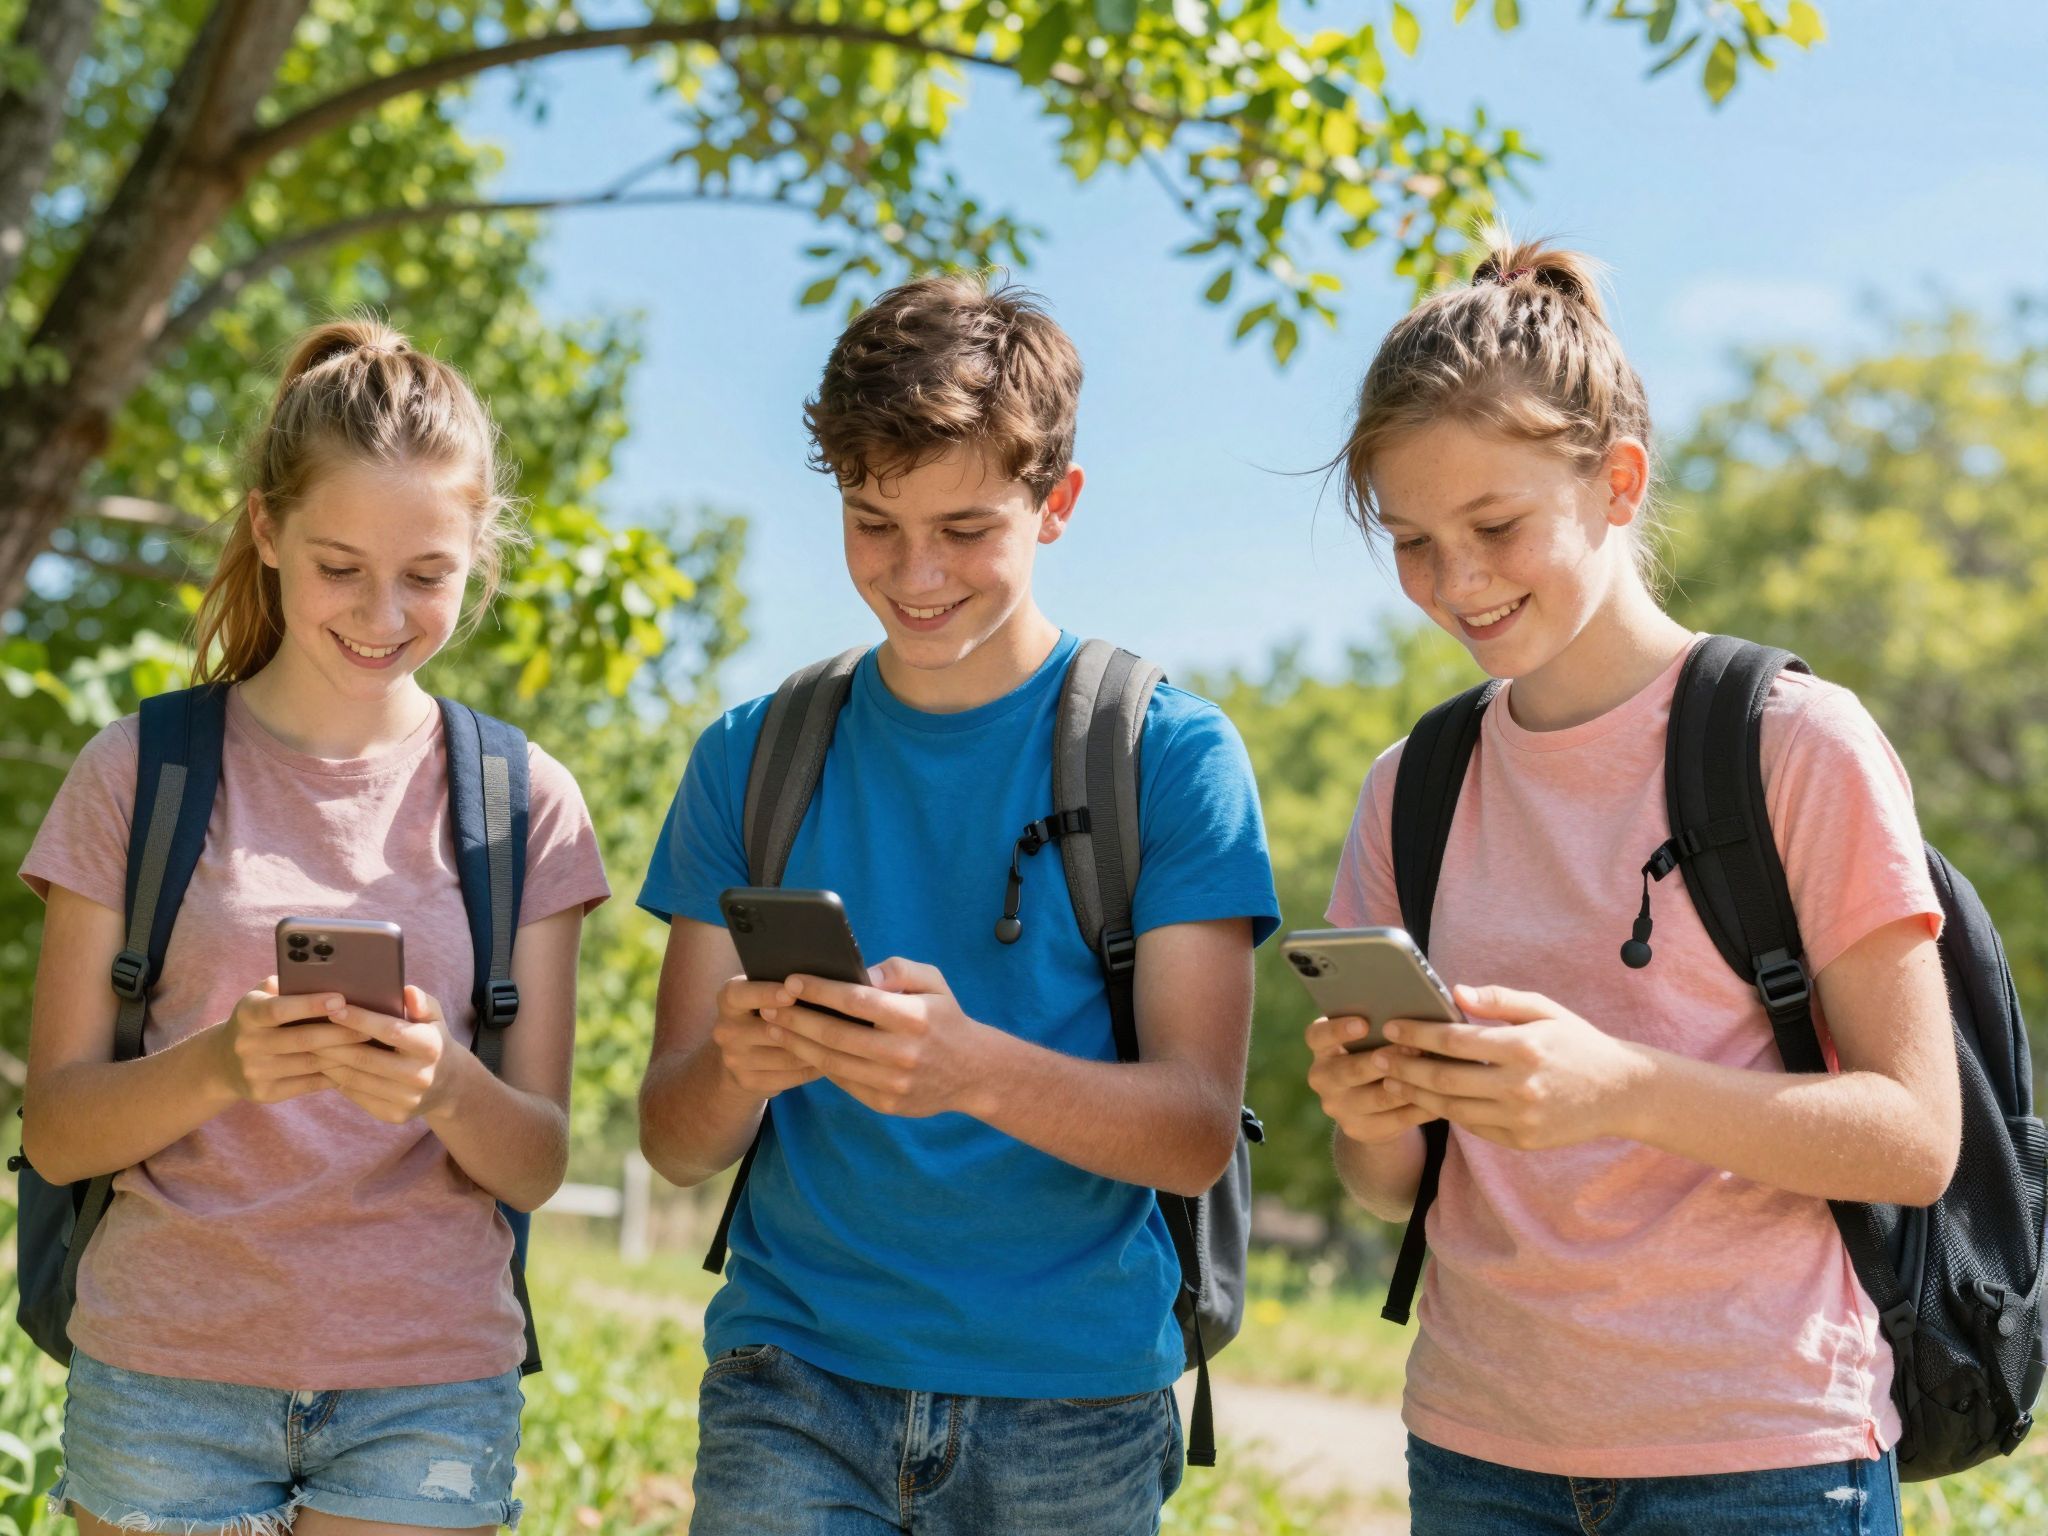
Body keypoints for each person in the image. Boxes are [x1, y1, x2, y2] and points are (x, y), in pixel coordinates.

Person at [1304, 238, 1958, 1534]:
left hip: (1760, 1453)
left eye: (1495, 527)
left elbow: (1916, 1141)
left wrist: (1625, 1090)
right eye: (1414, 541)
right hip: (1478, 1446)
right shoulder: (1410, 789)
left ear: (1617, 483)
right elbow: (1388, 1186)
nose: (1457, 582)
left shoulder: (1791, 741)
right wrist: (1372, 1107)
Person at [637, 272, 1280, 1534]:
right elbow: (672, 1138)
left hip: (1074, 1407)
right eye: (873, 523)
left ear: (1056, 506)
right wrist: (740, 1062)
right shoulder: (751, 756)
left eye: (966, 528)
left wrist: (968, 1070)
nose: (913, 574)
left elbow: (1194, 1129)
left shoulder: (1169, 755)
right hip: (793, 1383)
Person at [21, 318, 609, 1535]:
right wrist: (223, 1064)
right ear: (267, 531)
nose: (382, 612)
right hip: (165, 1376)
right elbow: (60, 1134)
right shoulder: (138, 771)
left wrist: (447, 1086)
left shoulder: (523, 801)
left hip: (429, 1387)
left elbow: (537, 1162)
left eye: (428, 574)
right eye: (341, 565)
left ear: (475, 560)